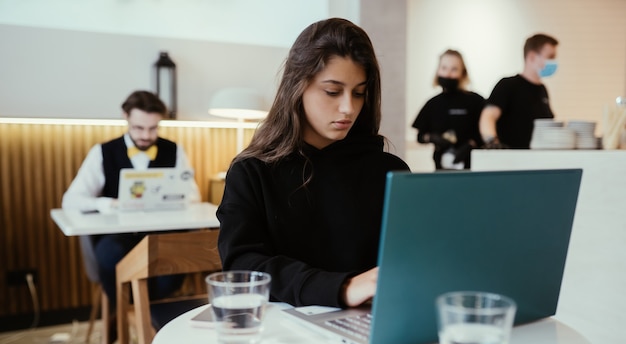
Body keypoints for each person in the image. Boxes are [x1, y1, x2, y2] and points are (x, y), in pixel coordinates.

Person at [216, 18, 410, 309]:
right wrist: (342, 288)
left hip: (373, 324)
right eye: (332, 91)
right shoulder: (252, 172)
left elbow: (410, 259)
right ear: (297, 87)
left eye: (359, 92)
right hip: (283, 333)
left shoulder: (389, 171)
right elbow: (243, 265)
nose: (349, 108)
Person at [62, 90, 201, 315]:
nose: (146, 135)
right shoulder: (103, 152)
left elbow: (193, 196)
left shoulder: (174, 151)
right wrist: (107, 203)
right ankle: (130, 316)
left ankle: (140, 318)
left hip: (160, 236)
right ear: (125, 116)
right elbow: (71, 201)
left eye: (153, 128)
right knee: (111, 255)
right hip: (118, 237)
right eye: (139, 128)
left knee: (173, 267)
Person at [479, 33, 559, 149]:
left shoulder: (542, 90)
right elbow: (488, 116)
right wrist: (492, 142)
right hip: (511, 161)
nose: (554, 62)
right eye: (550, 57)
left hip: (537, 160)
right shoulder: (508, 85)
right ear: (531, 56)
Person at [411, 49, 485, 170]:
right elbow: (420, 136)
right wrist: (431, 137)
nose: (448, 74)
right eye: (444, 68)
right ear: (438, 70)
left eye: (454, 69)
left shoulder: (476, 101)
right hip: (441, 170)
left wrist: (471, 145)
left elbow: (487, 132)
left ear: (463, 73)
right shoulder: (432, 104)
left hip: (472, 170)